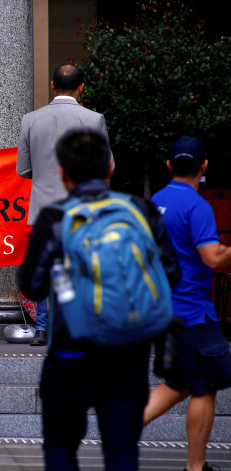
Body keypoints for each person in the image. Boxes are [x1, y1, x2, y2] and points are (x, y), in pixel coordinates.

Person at [17, 129, 180, 470]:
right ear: (110, 167)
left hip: (71, 350)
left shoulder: (56, 218)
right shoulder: (141, 209)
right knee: (122, 452)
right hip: (129, 351)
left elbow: (31, 284)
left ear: (62, 172)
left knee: (61, 449)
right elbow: (171, 273)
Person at [144, 137, 231, 471]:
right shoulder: (197, 206)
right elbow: (211, 257)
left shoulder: (154, 202)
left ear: (168, 166)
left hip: (164, 312)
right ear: (204, 166)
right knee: (205, 386)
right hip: (195, 314)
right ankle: (196, 468)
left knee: (178, 384)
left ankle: (120, 434)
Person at [16, 64, 114, 346]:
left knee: (47, 267)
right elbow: (107, 166)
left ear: (51, 85)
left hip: (43, 209)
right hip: (82, 208)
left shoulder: (30, 120)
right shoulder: (93, 119)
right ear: (81, 87)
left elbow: (23, 169)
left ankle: (43, 327)